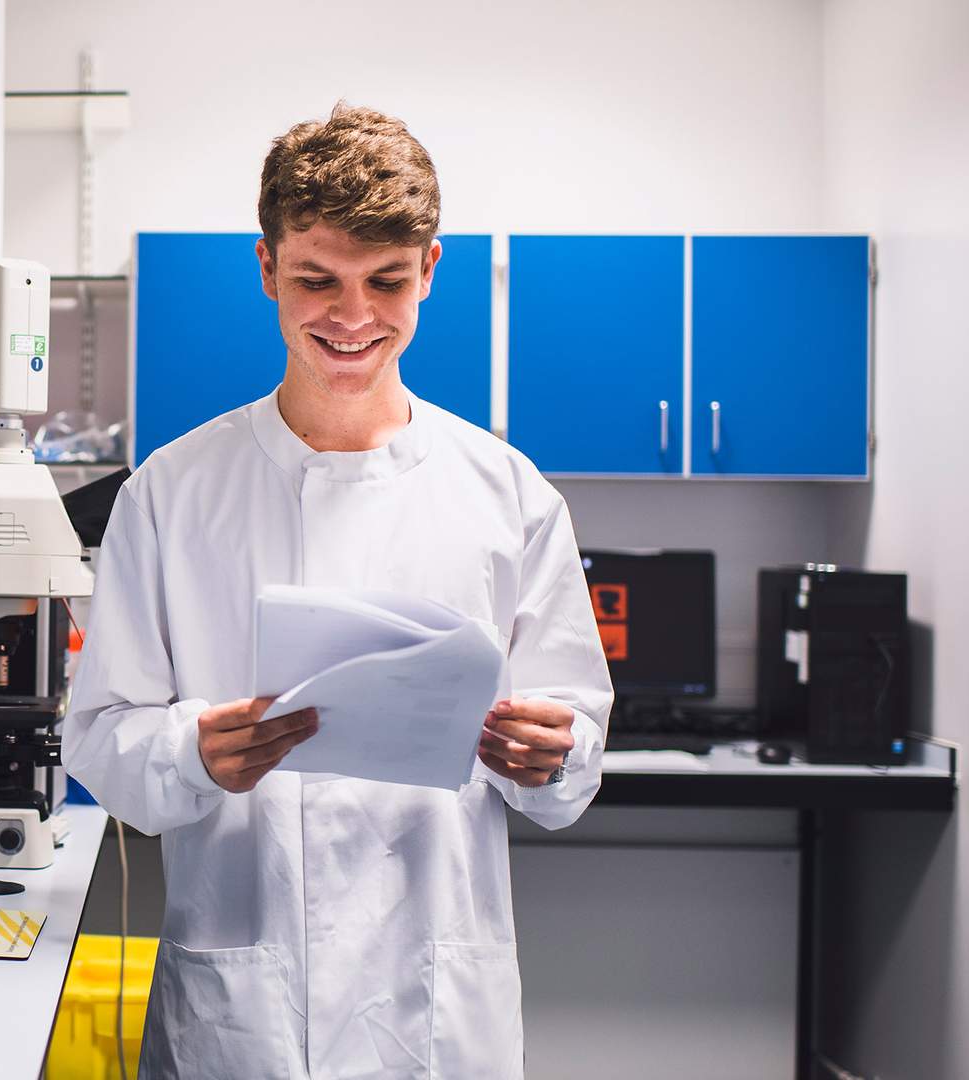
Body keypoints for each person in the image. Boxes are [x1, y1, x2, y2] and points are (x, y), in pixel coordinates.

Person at [61, 103, 614, 1079]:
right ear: (267, 267)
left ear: (431, 270)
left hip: (435, 1013)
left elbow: (573, 763)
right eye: (318, 280)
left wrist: (551, 754)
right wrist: (192, 748)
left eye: (386, 282)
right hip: (244, 1013)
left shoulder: (508, 496)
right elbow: (103, 745)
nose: (353, 317)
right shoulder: (175, 494)